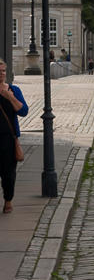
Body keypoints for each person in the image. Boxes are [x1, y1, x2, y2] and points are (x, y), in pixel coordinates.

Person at [0, 60, 28, 214]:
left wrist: (10, 97)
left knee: (8, 175)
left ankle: (8, 200)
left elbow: (23, 111)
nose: (1, 74)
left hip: (9, 140)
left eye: (3, 71)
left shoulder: (13, 90)